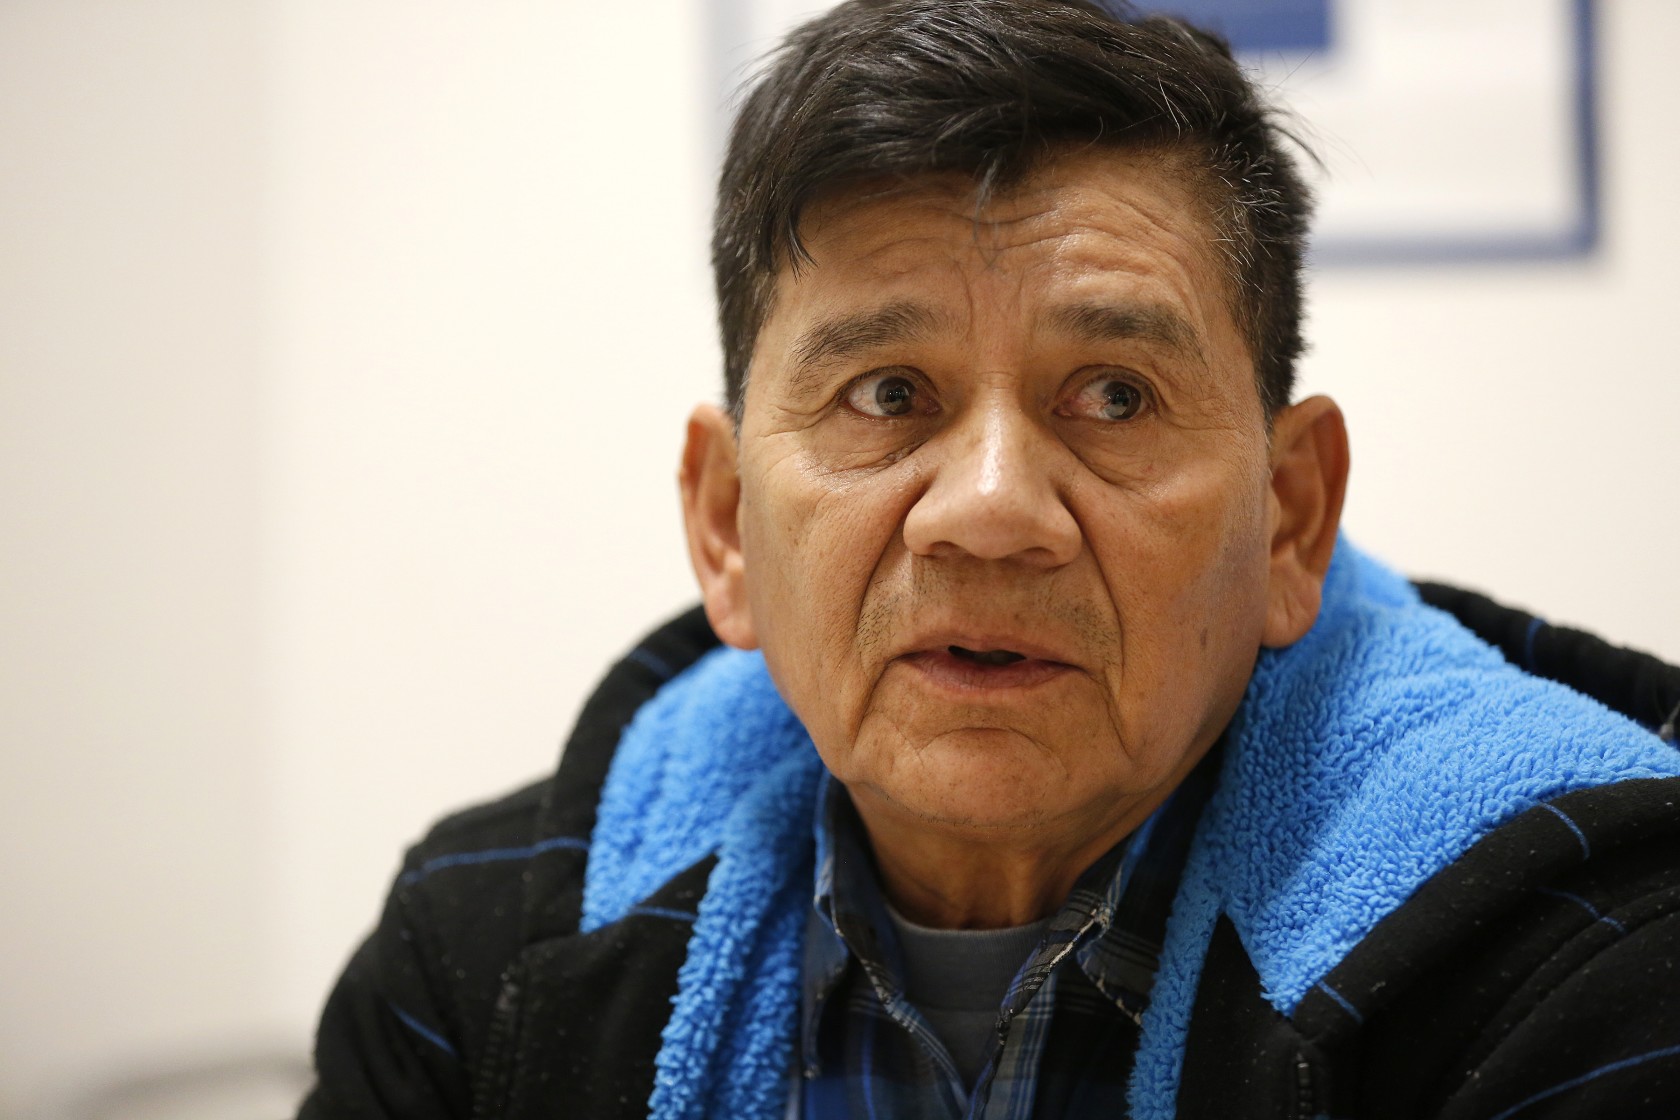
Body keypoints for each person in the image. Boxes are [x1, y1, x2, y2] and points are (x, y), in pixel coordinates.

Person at [297, 2, 1680, 1117]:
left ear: (1289, 519)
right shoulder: (471, 966)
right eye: (888, 396)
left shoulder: (1592, 960)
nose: (991, 509)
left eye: (1117, 396)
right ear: (725, 524)